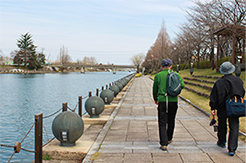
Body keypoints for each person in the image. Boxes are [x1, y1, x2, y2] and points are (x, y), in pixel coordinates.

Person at [210, 61, 245, 156]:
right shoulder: (238, 81)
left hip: (222, 106)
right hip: (234, 106)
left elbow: (214, 96)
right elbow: (242, 92)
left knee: (222, 124)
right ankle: (232, 148)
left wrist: (213, 107)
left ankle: (222, 141)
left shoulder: (219, 82)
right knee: (234, 126)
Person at [152, 59, 185, 151]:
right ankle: (169, 138)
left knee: (162, 122)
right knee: (171, 120)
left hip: (162, 100)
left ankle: (164, 143)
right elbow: (182, 85)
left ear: (162, 66)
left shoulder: (158, 75)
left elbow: (155, 89)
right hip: (173, 100)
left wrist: (155, 98)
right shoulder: (176, 75)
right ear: (171, 66)